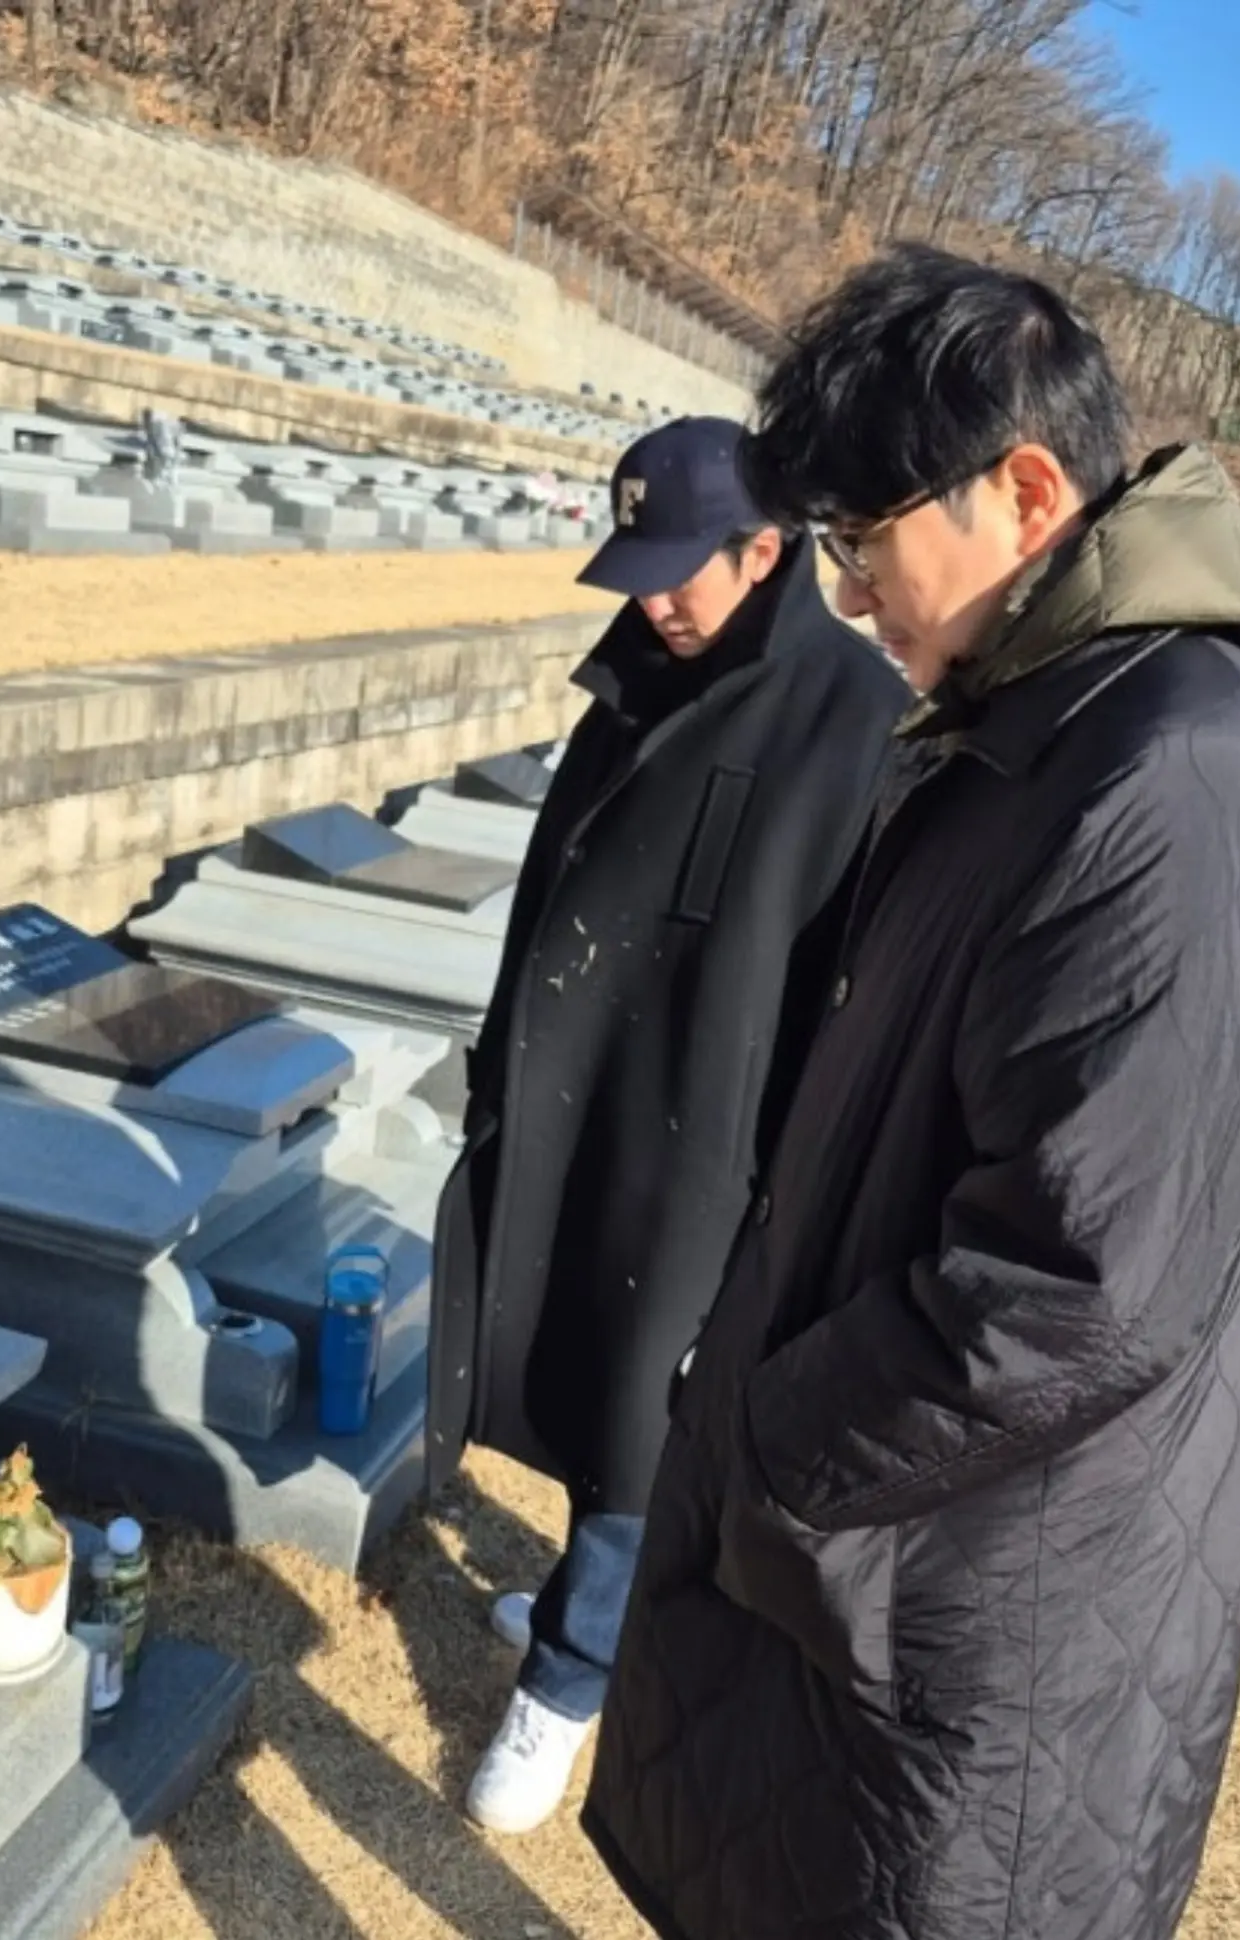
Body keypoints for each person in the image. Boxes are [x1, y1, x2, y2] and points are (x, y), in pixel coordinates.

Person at [583, 245, 1240, 1940]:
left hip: (974, 1582)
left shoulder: (1169, 767)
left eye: (863, 546)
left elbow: (1078, 1285)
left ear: (1028, 490)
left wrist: (762, 1438)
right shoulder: (1040, 709)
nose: (850, 597)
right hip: (900, 1549)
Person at [429, 414, 907, 1835]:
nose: (650, 598)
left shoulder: (856, 727)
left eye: (679, 570)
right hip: (589, 1104)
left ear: (767, 554)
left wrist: (791, 1197)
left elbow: (844, 986)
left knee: (646, 1402)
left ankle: (568, 1680)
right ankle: (602, 1606)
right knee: (581, 1374)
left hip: (712, 1149)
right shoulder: (636, 682)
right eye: (636, 566)